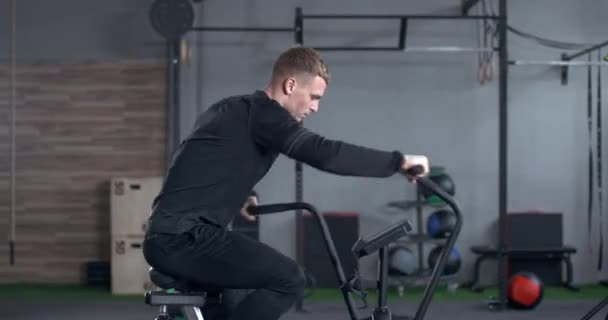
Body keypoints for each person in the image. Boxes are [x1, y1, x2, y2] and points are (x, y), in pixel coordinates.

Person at [142, 46, 430, 320]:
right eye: (314, 97)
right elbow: (324, 154)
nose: (316, 108)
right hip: (183, 238)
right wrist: (398, 162)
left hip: (174, 235)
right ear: (291, 85)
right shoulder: (266, 115)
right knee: (288, 279)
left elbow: (204, 158)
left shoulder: (233, 109)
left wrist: (243, 195)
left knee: (236, 299)